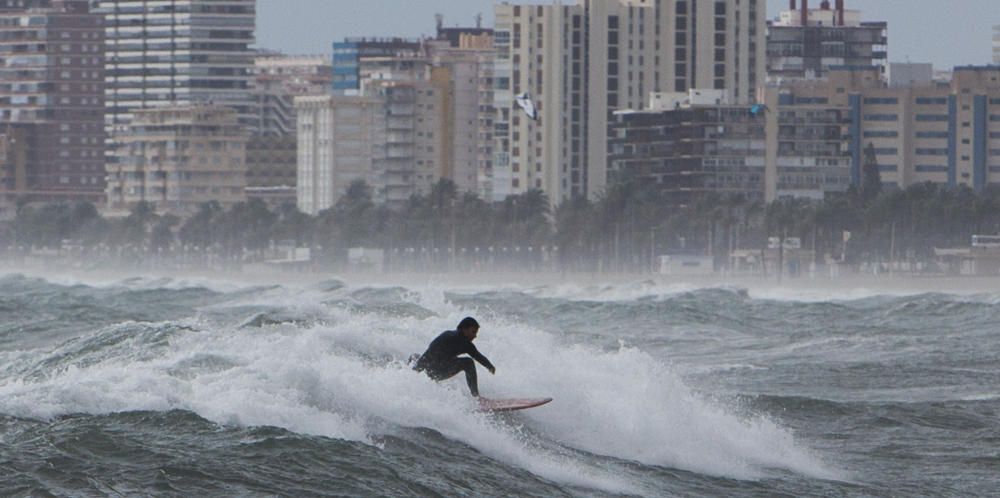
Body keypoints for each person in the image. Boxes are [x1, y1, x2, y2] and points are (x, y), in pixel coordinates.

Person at [413, 316, 495, 397]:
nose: (475, 336)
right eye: (473, 332)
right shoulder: (460, 341)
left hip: (425, 370)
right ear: (464, 329)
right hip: (433, 372)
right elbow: (477, 356)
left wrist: (415, 372)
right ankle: (476, 396)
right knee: (468, 363)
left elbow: (477, 356)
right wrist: (490, 367)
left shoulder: (450, 334)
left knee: (414, 356)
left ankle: (408, 374)